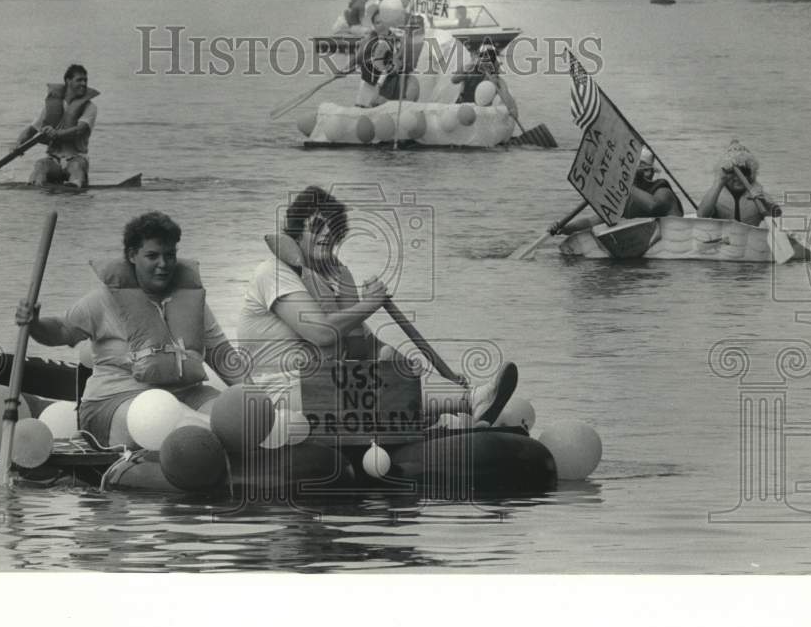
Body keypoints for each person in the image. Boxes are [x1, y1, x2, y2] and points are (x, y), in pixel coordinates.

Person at [237, 186, 518, 427]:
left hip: (323, 382)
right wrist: (370, 303)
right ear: (297, 232)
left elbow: (359, 347)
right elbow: (321, 333)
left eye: (332, 227)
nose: (326, 233)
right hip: (277, 392)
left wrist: (419, 371)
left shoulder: (334, 276)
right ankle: (468, 401)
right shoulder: (273, 272)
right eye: (317, 226)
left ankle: (462, 401)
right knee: (368, 385)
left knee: (389, 361)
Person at [15, 211, 242, 447]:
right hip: (116, 400)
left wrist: (255, 397)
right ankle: (211, 436)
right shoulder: (102, 300)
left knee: (241, 417)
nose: (163, 264)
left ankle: (217, 438)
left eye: (170, 255)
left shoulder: (190, 302)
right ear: (133, 255)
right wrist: (35, 324)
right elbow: (61, 330)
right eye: (152, 256)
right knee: (167, 418)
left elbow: (221, 354)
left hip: (187, 393)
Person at [549, 147, 684, 236]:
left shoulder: (662, 190)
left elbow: (653, 206)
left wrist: (625, 185)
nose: (648, 174)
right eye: (643, 170)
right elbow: (593, 221)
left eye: (648, 170)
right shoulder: (627, 198)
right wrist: (564, 228)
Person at [16, 64, 97, 188]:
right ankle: (34, 185)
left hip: (76, 158)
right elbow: (31, 130)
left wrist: (56, 133)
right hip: (54, 160)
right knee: (40, 165)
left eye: (85, 80)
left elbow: (79, 130)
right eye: (79, 80)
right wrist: (18, 143)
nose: (84, 84)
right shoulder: (52, 106)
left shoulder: (90, 107)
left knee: (76, 166)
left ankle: (75, 185)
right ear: (68, 81)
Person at [697, 139, 778, 226]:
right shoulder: (715, 193)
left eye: (745, 171)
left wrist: (765, 204)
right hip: (723, 234)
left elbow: (777, 216)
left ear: (751, 174)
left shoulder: (758, 191)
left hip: (749, 234)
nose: (738, 178)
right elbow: (702, 215)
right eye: (732, 172)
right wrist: (719, 182)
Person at [451, 44, 519, 119]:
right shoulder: (470, 69)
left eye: (490, 61)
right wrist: (470, 67)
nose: (486, 64)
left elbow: (506, 95)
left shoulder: (496, 79)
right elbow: (454, 80)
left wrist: (511, 109)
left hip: (480, 113)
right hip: (462, 108)